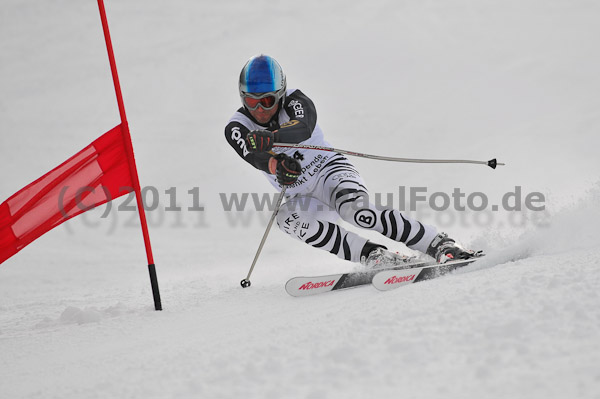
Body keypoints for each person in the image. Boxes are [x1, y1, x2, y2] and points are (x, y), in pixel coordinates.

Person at [225, 54, 479, 267]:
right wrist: (277, 166)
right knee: (286, 219)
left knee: (356, 211)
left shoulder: (296, 100)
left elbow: (302, 127)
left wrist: (271, 137)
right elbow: (255, 157)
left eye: (267, 100)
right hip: (299, 194)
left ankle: (438, 244)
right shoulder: (236, 127)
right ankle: (373, 255)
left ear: (279, 94)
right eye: (251, 101)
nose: (259, 109)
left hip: (330, 172)